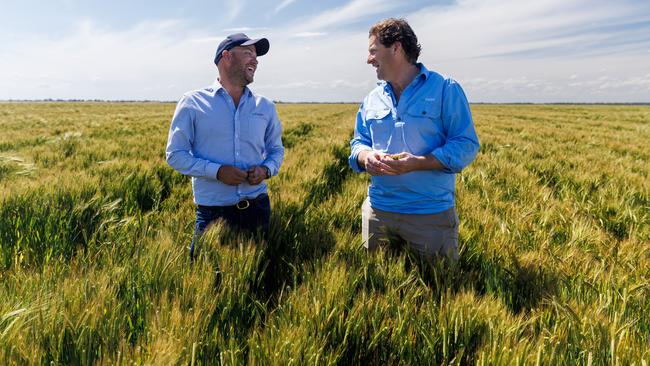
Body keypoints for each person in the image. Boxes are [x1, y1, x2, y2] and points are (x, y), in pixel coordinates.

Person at [349, 18, 480, 260]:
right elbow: (358, 143)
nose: (369, 59)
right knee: (377, 290)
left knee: (438, 291)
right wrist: (366, 157)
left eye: (373, 51)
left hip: (430, 216)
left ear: (396, 48)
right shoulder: (372, 99)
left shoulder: (445, 89)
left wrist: (419, 162)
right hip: (379, 212)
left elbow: (466, 144)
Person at [166, 33, 284, 259]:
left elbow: (276, 150)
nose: (255, 60)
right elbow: (175, 155)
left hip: (258, 208)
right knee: (204, 282)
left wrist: (265, 170)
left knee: (255, 281)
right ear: (226, 56)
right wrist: (217, 172)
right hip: (213, 214)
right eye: (248, 53)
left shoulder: (265, 106)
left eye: (256, 56)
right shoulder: (193, 102)